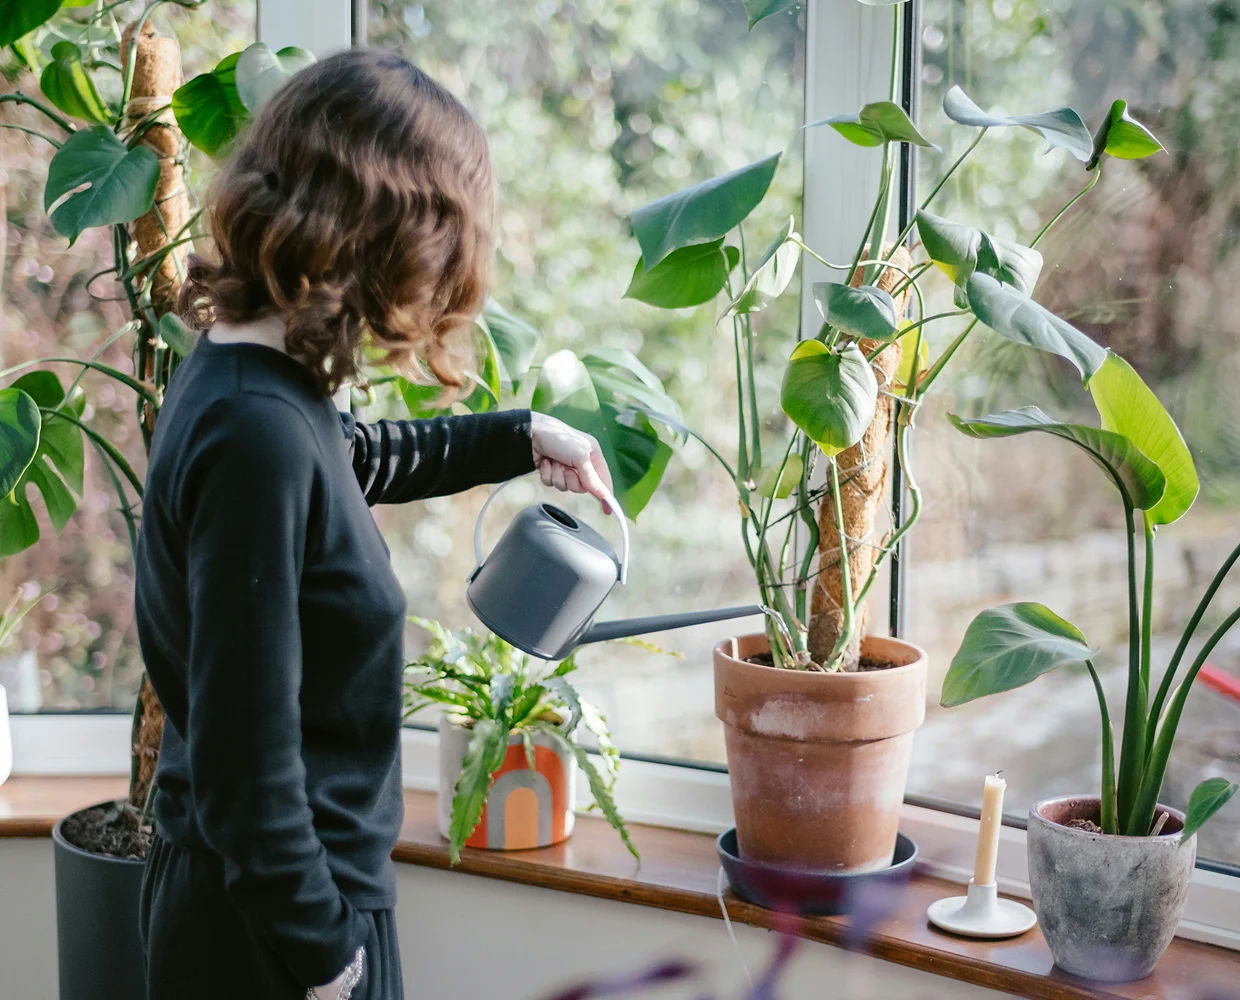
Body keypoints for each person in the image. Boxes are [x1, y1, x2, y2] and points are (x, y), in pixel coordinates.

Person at [133, 49, 611, 1000]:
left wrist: (521, 438)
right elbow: (246, 771)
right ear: (383, 241)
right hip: (269, 941)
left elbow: (355, 457)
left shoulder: (249, 374)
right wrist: (333, 962)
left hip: (273, 915)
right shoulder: (254, 435)